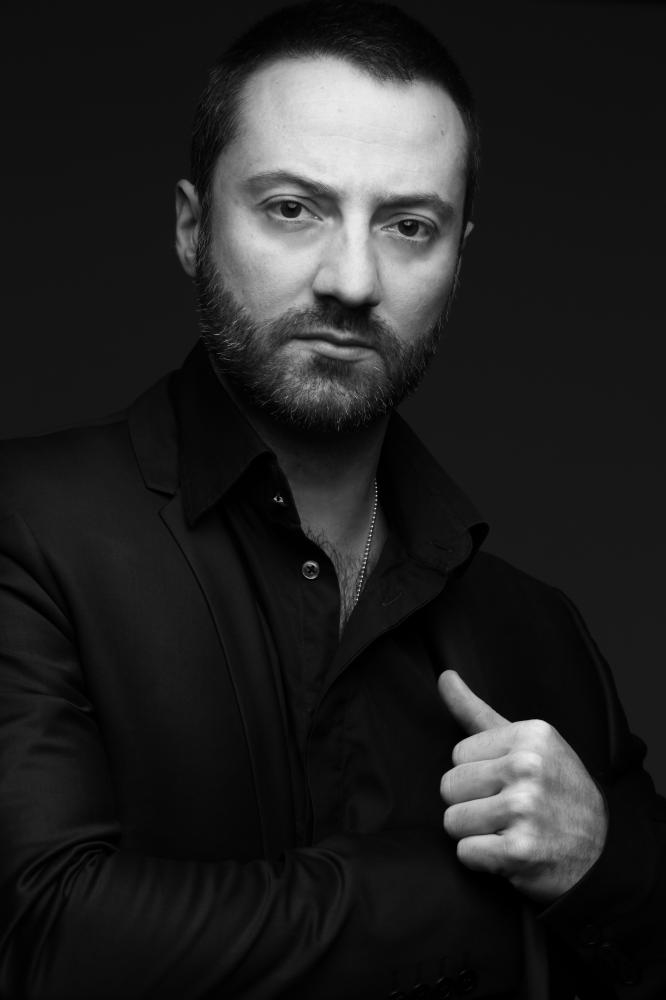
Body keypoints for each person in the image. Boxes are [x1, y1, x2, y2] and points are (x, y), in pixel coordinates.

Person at [0, 1, 663, 997]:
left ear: (458, 261)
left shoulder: (542, 636)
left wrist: (598, 858)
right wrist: (472, 900)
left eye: (408, 226)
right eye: (292, 209)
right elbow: (43, 943)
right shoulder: (23, 527)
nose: (352, 281)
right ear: (190, 226)